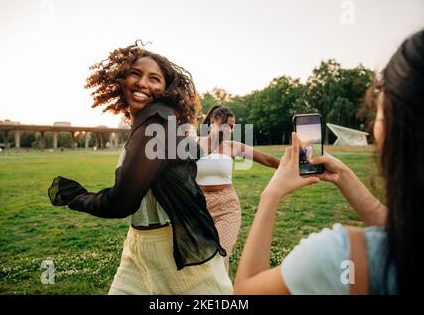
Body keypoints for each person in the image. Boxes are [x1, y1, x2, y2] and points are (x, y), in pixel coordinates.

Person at [234, 29, 424, 294]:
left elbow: (244, 293)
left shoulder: (340, 257)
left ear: (394, 126)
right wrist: (344, 178)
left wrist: (271, 194)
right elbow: (399, 229)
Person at [48, 41, 233, 294]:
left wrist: (77, 197)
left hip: (175, 253)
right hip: (137, 245)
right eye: (135, 74)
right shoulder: (154, 125)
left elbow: (122, 202)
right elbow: (195, 150)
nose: (143, 83)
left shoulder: (157, 122)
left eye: (154, 78)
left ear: (167, 89)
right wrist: (212, 137)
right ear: (120, 80)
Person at [192, 106, 280, 273]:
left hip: (227, 207)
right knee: (199, 260)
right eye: (226, 125)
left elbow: (266, 160)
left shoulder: (232, 146)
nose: (229, 130)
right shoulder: (193, 144)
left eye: (232, 127)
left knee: (220, 258)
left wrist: (295, 166)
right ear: (213, 121)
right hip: (199, 207)